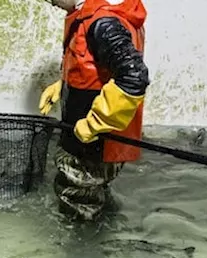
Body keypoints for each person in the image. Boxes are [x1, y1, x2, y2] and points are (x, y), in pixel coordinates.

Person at [38, 0, 149, 222]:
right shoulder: (102, 15)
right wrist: (64, 84)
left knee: (77, 212)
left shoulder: (103, 23)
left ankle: (81, 253)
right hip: (101, 144)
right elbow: (99, 67)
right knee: (95, 196)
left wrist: (95, 123)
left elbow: (134, 77)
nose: (51, 2)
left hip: (92, 145)